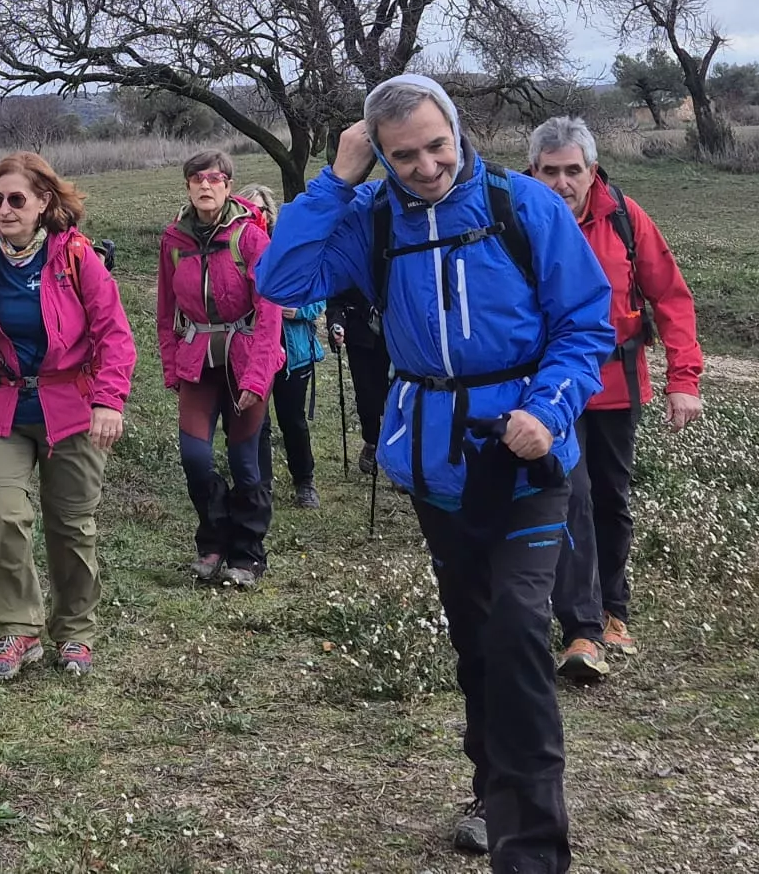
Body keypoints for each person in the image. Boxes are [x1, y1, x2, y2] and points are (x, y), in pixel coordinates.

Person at [256, 76, 614, 874]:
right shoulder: (372, 218)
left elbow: (586, 325)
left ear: (458, 129)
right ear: (380, 155)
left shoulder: (524, 206)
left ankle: (531, 851)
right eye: (403, 155)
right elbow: (279, 281)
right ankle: (491, 790)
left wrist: (547, 411)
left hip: (527, 457)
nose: (426, 166)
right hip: (436, 466)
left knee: (520, 631)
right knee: (476, 637)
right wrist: (337, 180)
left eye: (437, 145)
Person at [0, 152, 137, 681]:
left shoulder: (75, 257)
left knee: (71, 525)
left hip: (70, 407)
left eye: (16, 199)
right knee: (2, 513)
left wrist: (108, 401)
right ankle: (18, 630)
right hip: (0, 403)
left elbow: (114, 334)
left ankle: (74, 632)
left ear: (43, 203)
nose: (3, 209)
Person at [529, 116, 705, 683]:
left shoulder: (627, 220)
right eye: (549, 171)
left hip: (614, 386)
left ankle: (612, 612)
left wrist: (685, 379)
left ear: (592, 169)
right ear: (533, 171)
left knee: (610, 498)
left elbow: (671, 296)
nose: (561, 182)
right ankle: (580, 628)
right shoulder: (516, 220)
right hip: (550, 391)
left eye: (572, 170)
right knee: (570, 495)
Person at [157, 151, 283, 587]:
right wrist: (171, 366)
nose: (205, 185)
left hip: (247, 359)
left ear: (228, 186)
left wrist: (258, 376)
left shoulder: (250, 238)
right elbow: (165, 310)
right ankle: (212, 542)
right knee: (195, 458)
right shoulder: (174, 240)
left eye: (214, 178)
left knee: (246, 463)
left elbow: (270, 313)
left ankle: (247, 554)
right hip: (198, 361)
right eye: (197, 178)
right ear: (188, 186)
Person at [238, 184, 327, 510]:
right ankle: (261, 483)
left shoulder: (289, 251)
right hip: (252, 353)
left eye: (261, 209)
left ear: (271, 215)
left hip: (294, 353)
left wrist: (297, 310)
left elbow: (317, 299)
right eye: (249, 208)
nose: (256, 215)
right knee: (257, 423)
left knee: (293, 421)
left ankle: (305, 481)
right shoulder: (236, 252)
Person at [327, 286, 391, 476]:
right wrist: (336, 325)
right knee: (366, 395)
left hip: (397, 337)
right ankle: (371, 442)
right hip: (361, 338)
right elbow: (336, 301)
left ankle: (397, 456)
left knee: (399, 397)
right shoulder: (351, 261)